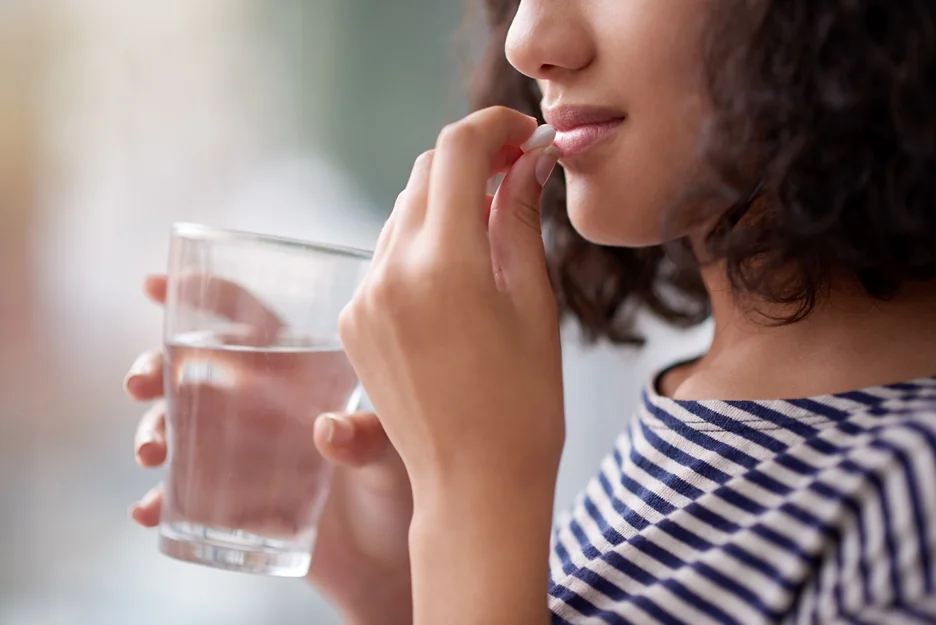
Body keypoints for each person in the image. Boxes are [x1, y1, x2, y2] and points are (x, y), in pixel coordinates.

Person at [125, 0, 936, 623]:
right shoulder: (699, 415)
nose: (525, 38)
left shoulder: (913, 505)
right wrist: (409, 581)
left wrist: (473, 498)